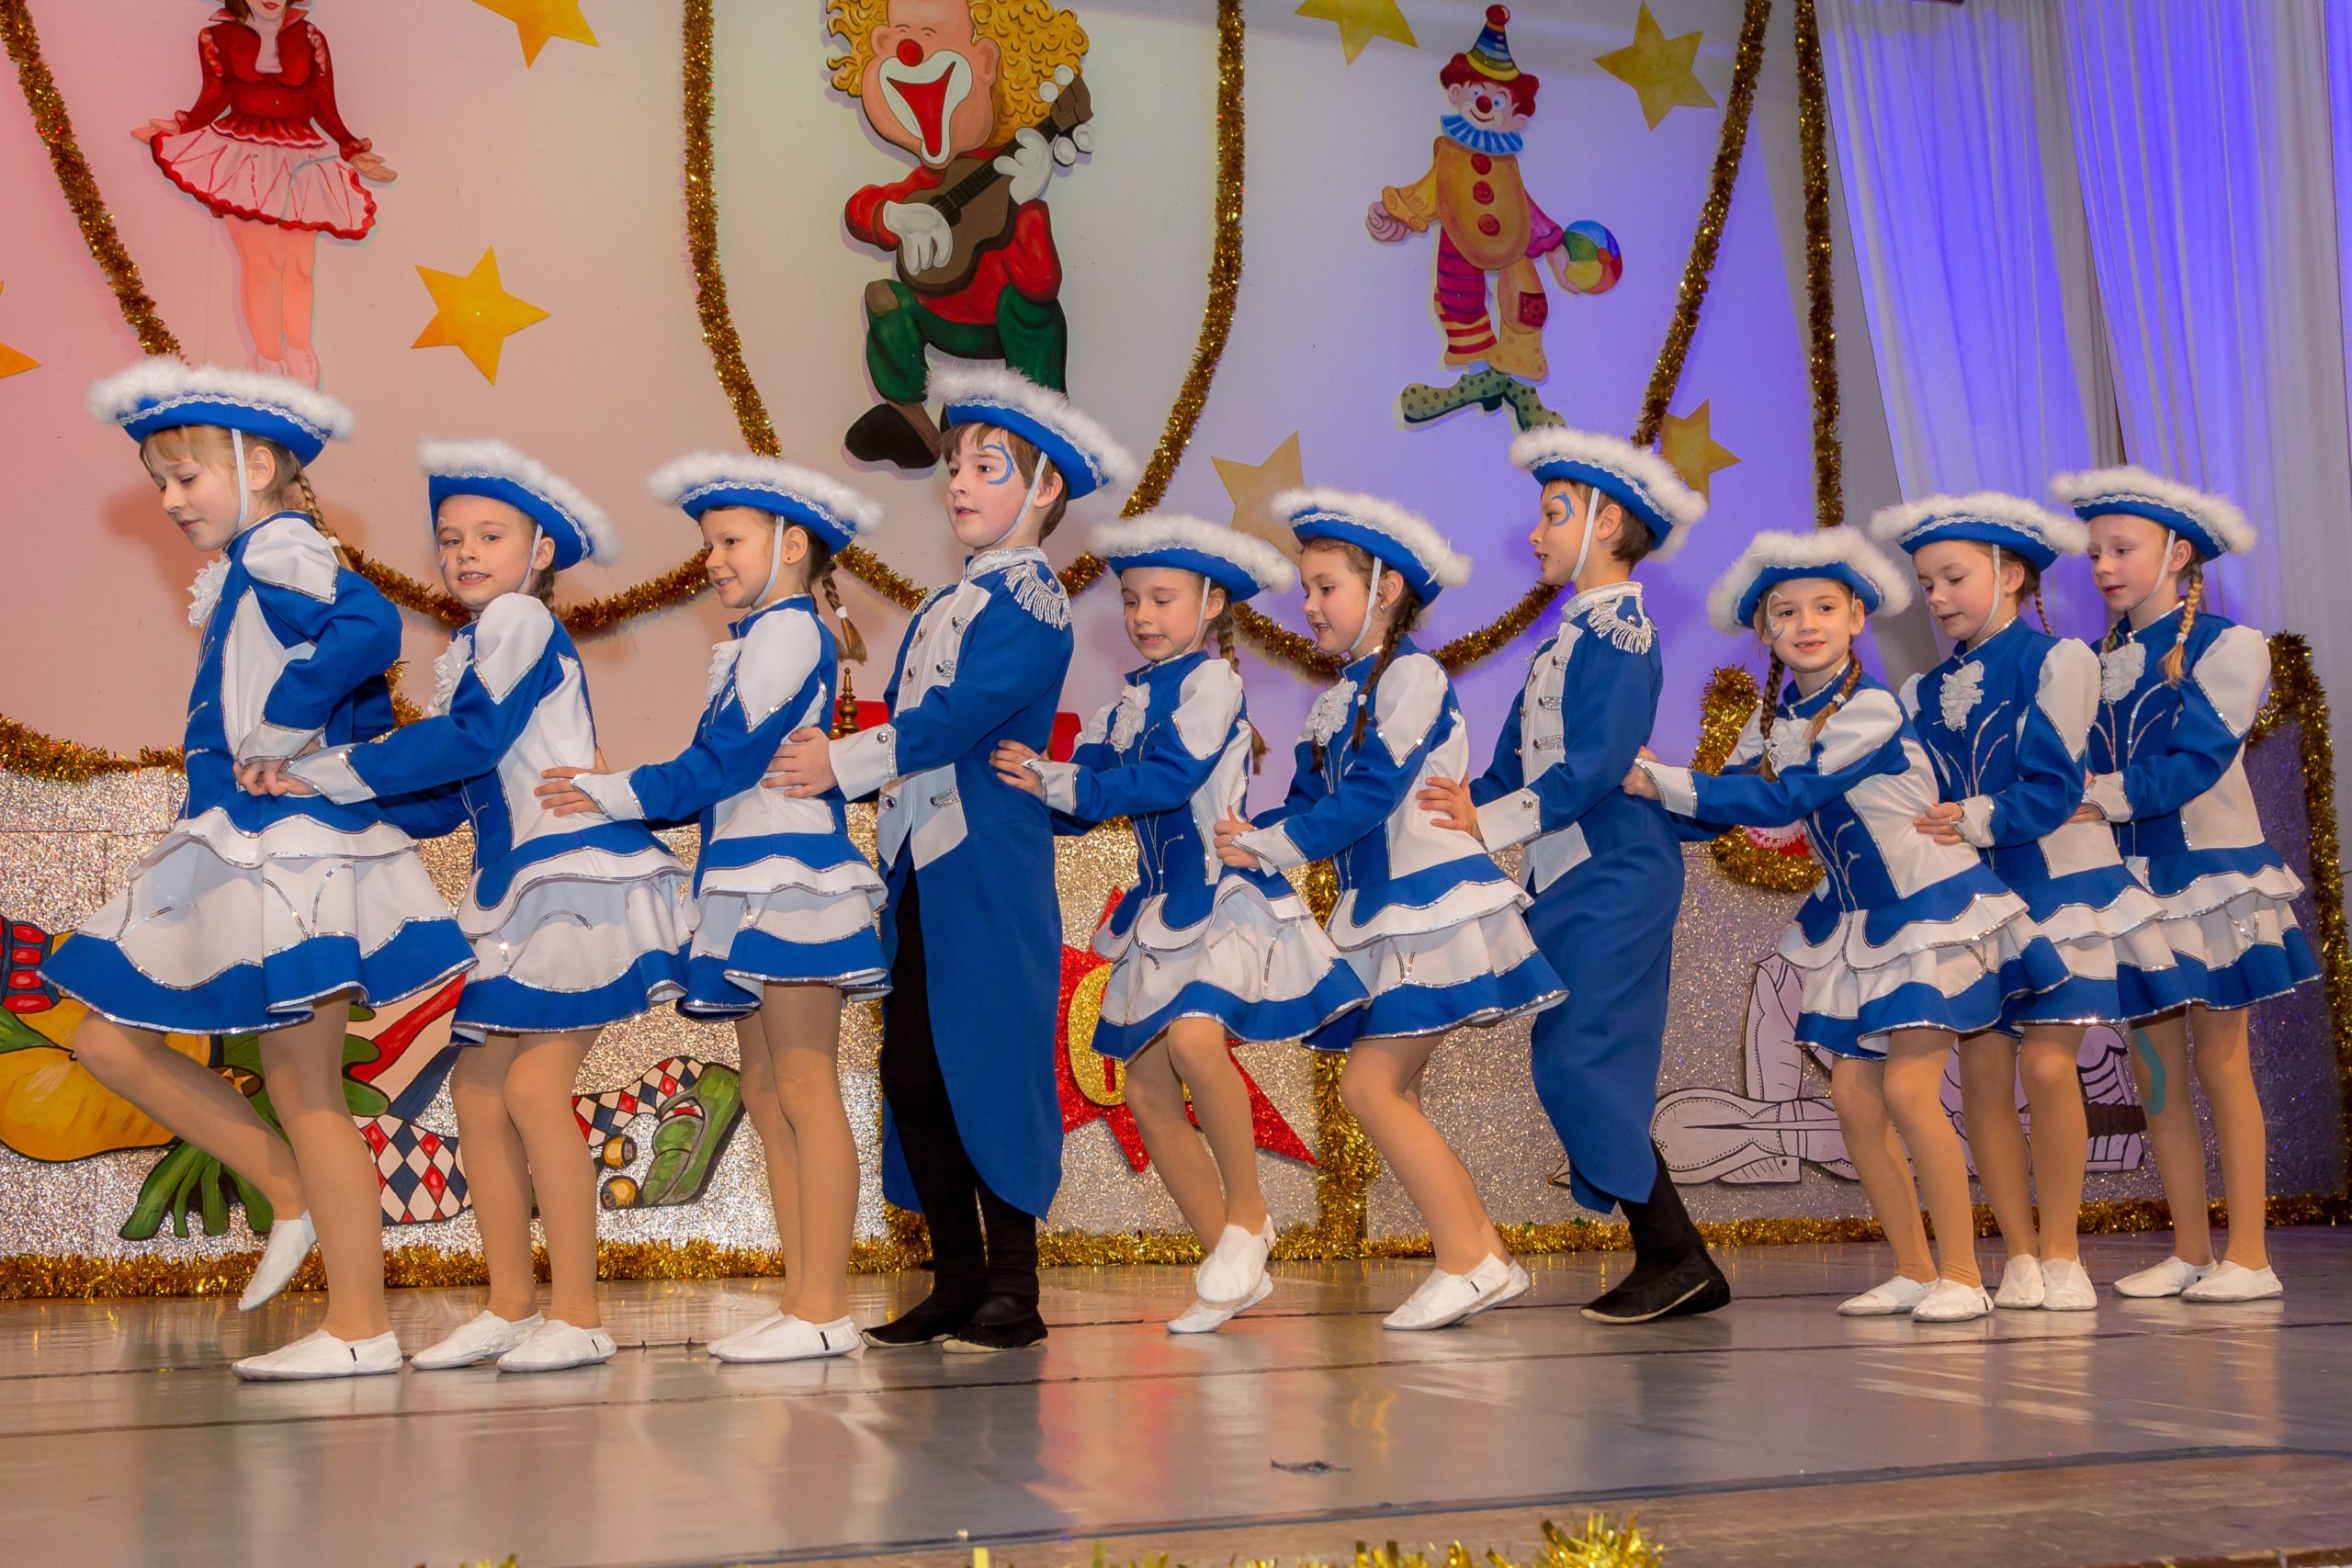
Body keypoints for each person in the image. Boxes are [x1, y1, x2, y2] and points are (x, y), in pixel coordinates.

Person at [50, 362, 472, 1378]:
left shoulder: (282, 544)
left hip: (290, 851)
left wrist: (282, 727)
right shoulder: (256, 559)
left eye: (187, 475)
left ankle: (360, 1328)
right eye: (160, 482)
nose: (171, 499)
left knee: (306, 1085)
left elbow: (368, 626)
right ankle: (288, 1191)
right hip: (239, 839)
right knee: (110, 1038)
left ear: (260, 465)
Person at [277, 440, 693, 1372]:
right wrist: (339, 798)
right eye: (450, 537)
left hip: (572, 880)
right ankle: (510, 1305)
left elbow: (470, 741)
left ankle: (578, 1314)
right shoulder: (475, 645)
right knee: (476, 1092)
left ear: (539, 551)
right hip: (518, 887)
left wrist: (334, 770)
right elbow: (452, 796)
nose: (464, 551)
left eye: (489, 534)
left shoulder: (518, 621)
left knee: (534, 1091)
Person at [769, 367, 1136, 1351]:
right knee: (914, 1070)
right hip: (920, 865)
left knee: (991, 1059)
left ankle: (1014, 1283)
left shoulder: (1033, 603)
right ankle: (957, 1277)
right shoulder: (950, 599)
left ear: (1045, 488)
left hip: (985, 864)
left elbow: (957, 717)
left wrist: (839, 761)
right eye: (957, 467)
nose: (962, 483)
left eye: (988, 467)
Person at [1628, 528, 2027, 1324]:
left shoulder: (1869, 707)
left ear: (1855, 618)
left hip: (1926, 910)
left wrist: (1661, 780)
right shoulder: (1777, 718)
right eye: (1785, 611)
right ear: (1764, 629)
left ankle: (1962, 1274)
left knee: (1909, 1091)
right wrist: (1633, 797)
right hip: (1860, 920)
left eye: (1823, 607)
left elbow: (1786, 799)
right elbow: (1715, 809)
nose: (1805, 623)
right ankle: (1914, 1269)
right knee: (1854, 1099)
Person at [544, 454, 891, 1362]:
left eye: (730, 542)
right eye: (709, 545)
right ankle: (802, 1295)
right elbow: (719, 770)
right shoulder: (757, 637)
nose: (712, 560)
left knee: (804, 1085)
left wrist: (614, 791)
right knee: (770, 1092)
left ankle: (825, 1306)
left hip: (791, 878)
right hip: (745, 875)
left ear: (792, 544)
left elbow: (726, 759)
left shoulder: (789, 632)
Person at [993, 513, 1364, 1333]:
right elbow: (1084, 793)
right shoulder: (1125, 701)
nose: (1142, 616)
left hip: (1218, 896)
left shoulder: (1212, 684)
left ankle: (1249, 1218)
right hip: (1158, 910)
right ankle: (1226, 1262)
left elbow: (1166, 778)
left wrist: (1060, 781)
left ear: (1211, 603)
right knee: (1146, 1088)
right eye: (1131, 600)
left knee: (1196, 1043)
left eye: (1162, 599)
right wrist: (1019, 789)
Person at [1216, 488, 1563, 1330]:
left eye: (1327, 586)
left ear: (1386, 589)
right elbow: (1307, 802)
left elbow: (1371, 794)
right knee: (1386, 1088)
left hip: (1427, 903)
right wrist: (1243, 833)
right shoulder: (1339, 696)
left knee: (1371, 1088)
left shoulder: (1412, 676)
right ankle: (1488, 1255)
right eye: (1307, 588)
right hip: (1382, 911)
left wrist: (1270, 846)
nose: (1309, 605)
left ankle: (1468, 1258)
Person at [1420, 427, 1728, 1324]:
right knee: (1574, 1058)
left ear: (1607, 524)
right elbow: (1509, 772)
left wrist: (1485, 821)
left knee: (1576, 1057)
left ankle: (1675, 1253)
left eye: (1554, 514)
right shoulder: (1562, 642)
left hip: (1619, 866)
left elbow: (1591, 768)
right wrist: (1433, 811)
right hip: (1569, 874)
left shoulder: (1624, 637)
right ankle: (1673, 1253)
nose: (1535, 532)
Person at [1870, 492, 2192, 1314]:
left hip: (2058, 885)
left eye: (1953, 577)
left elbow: (2053, 786)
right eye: (1926, 583)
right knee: (1983, 1075)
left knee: (2048, 1065)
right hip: (1977, 900)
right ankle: (2017, 1253)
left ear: (2011, 575)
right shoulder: (1918, 690)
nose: (1937, 597)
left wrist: (1972, 817)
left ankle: (2062, 1250)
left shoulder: (2059, 661)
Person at [2054, 467, 2322, 1303]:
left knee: (2221, 1060)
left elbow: (2195, 760)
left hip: (2208, 879)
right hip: (2131, 884)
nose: (2104, 566)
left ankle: (2251, 1255)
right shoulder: (2093, 661)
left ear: (2177, 554)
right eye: (2095, 553)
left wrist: (2098, 794)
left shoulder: (2229, 646)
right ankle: (2192, 1248)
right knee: (2154, 1072)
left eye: (2121, 549)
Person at [131, 0, 395, 384]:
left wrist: (352, 149)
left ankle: (302, 354)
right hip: (241, 151)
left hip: (301, 152)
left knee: (301, 264)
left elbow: (324, 105)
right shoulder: (217, 36)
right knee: (263, 261)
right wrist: (179, 130)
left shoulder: (310, 36)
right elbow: (214, 97)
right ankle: (269, 361)